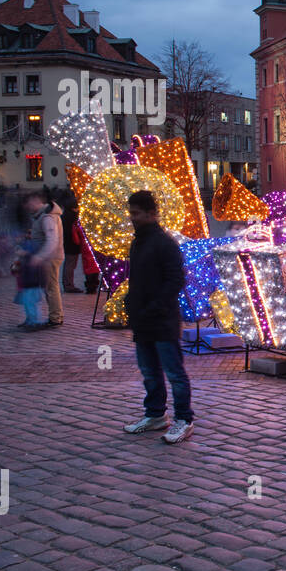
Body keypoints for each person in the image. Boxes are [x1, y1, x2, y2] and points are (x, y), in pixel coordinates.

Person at [122, 190, 195, 444]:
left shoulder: (164, 243)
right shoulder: (138, 241)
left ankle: (184, 419)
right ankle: (155, 414)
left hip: (162, 319)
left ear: (152, 214)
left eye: (137, 213)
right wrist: (131, 303)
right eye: (131, 213)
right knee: (149, 372)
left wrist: (155, 305)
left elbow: (176, 280)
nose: (132, 218)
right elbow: (137, 278)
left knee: (174, 372)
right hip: (144, 319)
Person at [24, 190, 65, 328]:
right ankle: (55, 316)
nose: (28, 206)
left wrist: (40, 256)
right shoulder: (41, 216)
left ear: (37, 201)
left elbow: (52, 240)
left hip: (50, 257)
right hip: (48, 257)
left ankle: (55, 317)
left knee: (51, 287)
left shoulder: (47, 217)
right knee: (49, 286)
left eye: (30, 202)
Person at [61, 195, 83, 292]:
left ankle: (67, 284)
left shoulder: (64, 216)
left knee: (68, 264)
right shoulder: (73, 217)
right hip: (73, 244)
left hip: (67, 244)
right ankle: (69, 285)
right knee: (70, 265)